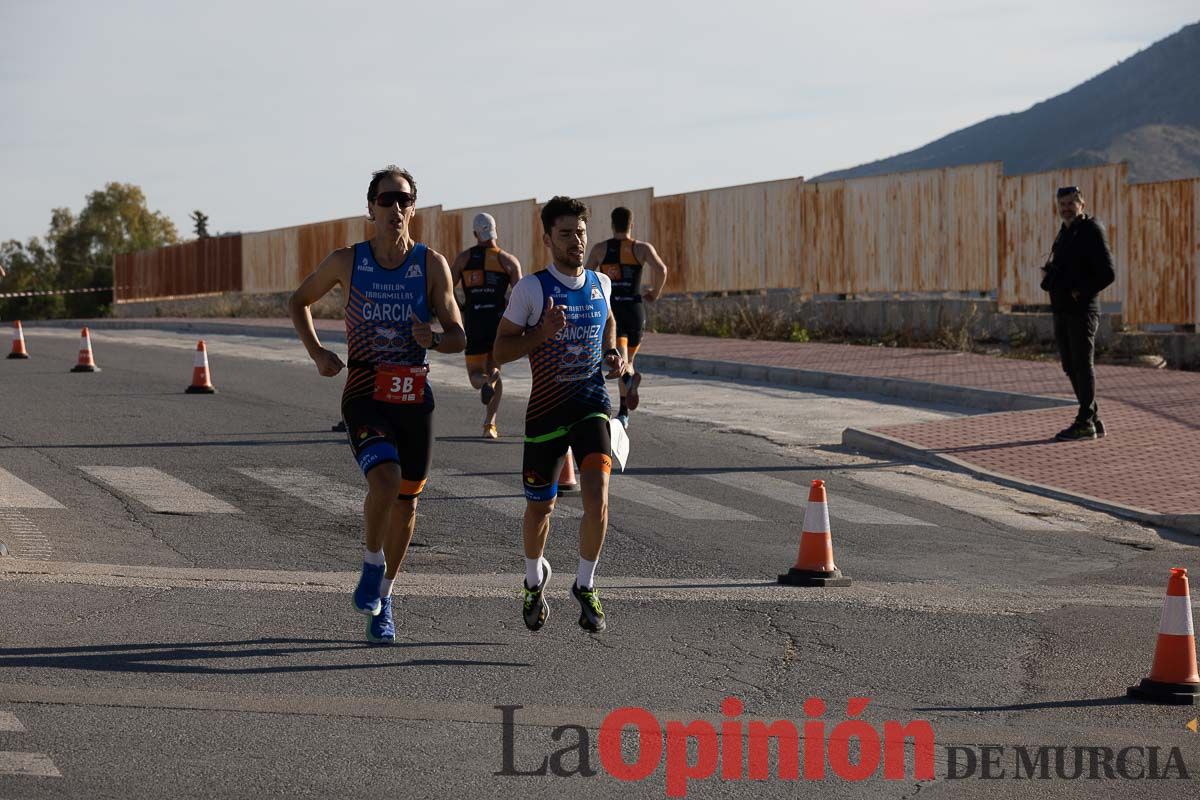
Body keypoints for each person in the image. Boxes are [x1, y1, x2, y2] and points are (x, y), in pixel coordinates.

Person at [288, 165, 465, 643]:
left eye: (404, 200)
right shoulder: (349, 261)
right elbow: (298, 300)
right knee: (384, 479)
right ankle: (371, 561)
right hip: (365, 388)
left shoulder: (431, 265)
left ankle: (384, 599)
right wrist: (319, 352)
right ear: (370, 208)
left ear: (413, 208)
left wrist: (434, 337)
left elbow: (459, 336)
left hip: (414, 394)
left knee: (407, 501)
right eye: (386, 200)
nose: (396, 208)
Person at [493, 196, 624, 634]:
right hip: (547, 411)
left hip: (591, 404)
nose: (576, 241)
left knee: (598, 496)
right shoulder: (531, 289)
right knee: (541, 508)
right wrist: (540, 333)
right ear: (548, 238)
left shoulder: (601, 283)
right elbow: (501, 349)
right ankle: (533, 581)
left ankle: (585, 585)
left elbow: (608, 321)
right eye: (566, 234)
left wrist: (613, 352)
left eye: (581, 232)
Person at [1040, 185, 1115, 441]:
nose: (1066, 209)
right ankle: (1092, 417)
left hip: (1082, 310)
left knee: (1082, 364)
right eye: (1062, 205)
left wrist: (1080, 292)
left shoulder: (1091, 230)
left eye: (1071, 204)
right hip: (1062, 310)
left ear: (1082, 204)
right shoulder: (1065, 232)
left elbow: (1108, 273)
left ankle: (1085, 421)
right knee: (1070, 365)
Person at [584, 206, 668, 428]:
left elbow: (585, 276)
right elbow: (662, 270)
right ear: (631, 225)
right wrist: (654, 293)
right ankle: (628, 390)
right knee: (628, 359)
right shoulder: (641, 249)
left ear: (612, 225)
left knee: (621, 359)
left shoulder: (600, 249)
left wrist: (593, 300)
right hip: (635, 309)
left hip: (614, 311)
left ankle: (623, 409)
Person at [450, 213, 522, 438]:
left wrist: (460, 306)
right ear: (494, 231)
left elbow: (446, 288)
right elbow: (521, 294)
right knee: (495, 369)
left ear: (475, 234)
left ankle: (483, 382)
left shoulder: (463, 259)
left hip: (474, 321)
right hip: (498, 323)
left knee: (475, 375)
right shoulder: (508, 260)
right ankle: (489, 425)